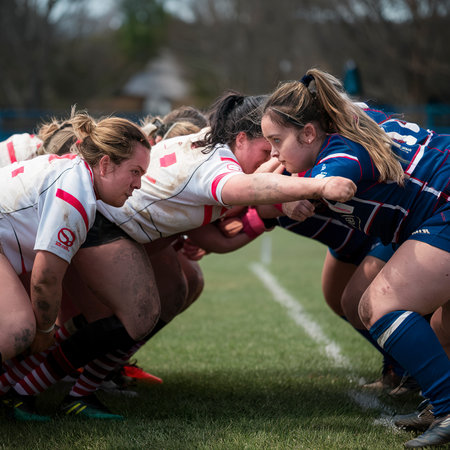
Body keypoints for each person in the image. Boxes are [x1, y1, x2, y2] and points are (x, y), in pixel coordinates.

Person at [0, 92, 356, 421]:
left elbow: (220, 230)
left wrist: (272, 206)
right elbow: (247, 188)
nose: (277, 157)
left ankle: (71, 388)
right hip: (106, 223)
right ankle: (26, 388)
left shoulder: (211, 151)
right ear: (242, 139)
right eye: (269, 148)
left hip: (115, 225)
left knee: (172, 293)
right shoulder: (218, 166)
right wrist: (317, 185)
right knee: (136, 314)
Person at [261, 68, 450, 448]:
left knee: (378, 305)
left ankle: (446, 407)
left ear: (310, 133)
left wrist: (302, 187)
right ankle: (430, 393)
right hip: (429, 209)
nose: (273, 153)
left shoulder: (342, 152)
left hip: (442, 205)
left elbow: (337, 182)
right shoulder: (344, 117)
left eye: (277, 141)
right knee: (422, 321)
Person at [0, 109, 150, 398]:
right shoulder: (75, 196)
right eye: (135, 172)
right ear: (105, 164)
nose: (139, 184)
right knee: (17, 329)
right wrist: (45, 332)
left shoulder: (76, 174)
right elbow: (45, 279)